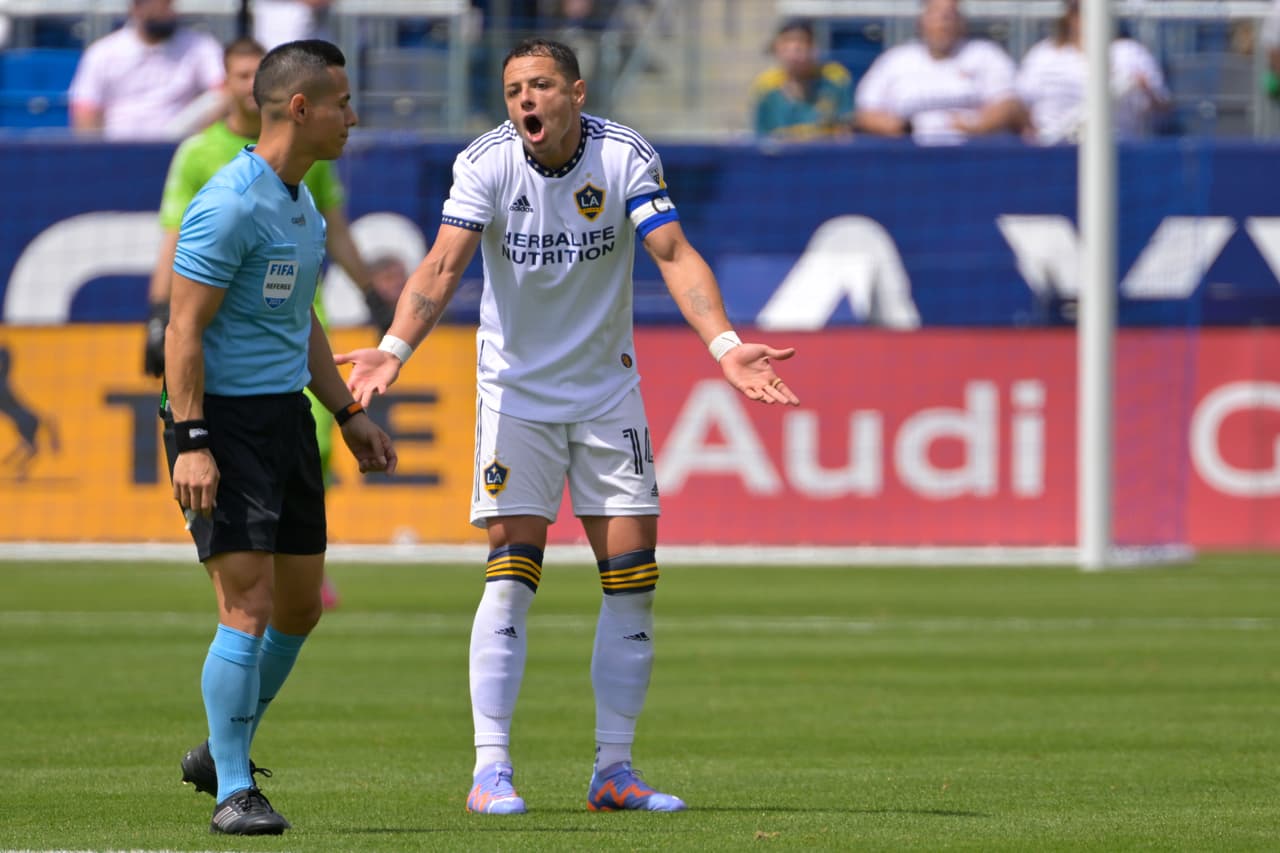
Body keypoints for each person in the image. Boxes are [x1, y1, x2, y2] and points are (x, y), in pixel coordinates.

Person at [335, 37, 800, 815]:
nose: (525, 100)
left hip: (607, 394)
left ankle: (613, 769)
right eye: (515, 87)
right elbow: (444, 265)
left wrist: (724, 344)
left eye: (541, 85)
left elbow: (674, 253)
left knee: (633, 580)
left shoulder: (623, 157)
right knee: (513, 573)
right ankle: (491, 770)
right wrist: (391, 349)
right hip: (516, 395)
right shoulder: (486, 162)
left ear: (575, 94)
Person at [163, 39, 396, 835]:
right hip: (221, 424)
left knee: (299, 608)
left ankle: (220, 747)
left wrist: (347, 412)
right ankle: (233, 788)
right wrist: (191, 438)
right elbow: (183, 330)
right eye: (342, 103)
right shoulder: (229, 202)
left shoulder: (302, 204)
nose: (352, 118)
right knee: (248, 605)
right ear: (301, 108)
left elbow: (300, 325)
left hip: (286, 419)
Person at [853, 0, 1022, 145]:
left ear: (961, 22)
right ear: (922, 21)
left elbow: (1008, 105)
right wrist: (900, 128)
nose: (943, 24)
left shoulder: (985, 54)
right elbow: (866, 112)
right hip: (909, 155)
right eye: (936, 16)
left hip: (973, 154)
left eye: (949, 17)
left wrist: (975, 125)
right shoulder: (895, 60)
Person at [1016, 0, 1169, 144]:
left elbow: (1163, 110)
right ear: (1070, 15)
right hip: (1052, 151)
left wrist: (1146, 89)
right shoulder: (1042, 55)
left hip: (1119, 150)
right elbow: (1021, 107)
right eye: (1080, 10)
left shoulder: (1131, 53)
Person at [68, 0, 226, 140]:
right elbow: (85, 112)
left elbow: (226, 93)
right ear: (135, 8)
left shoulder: (201, 47)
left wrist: (197, 139)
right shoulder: (103, 52)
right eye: (153, 4)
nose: (163, 11)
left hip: (179, 150)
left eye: (167, 4)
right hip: (117, 151)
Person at [752, 18, 855, 140]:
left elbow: (846, 133)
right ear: (777, 49)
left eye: (802, 44)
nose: (794, 54)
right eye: (787, 45)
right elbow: (761, 139)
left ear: (813, 48)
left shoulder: (834, 79)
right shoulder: (766, 87)